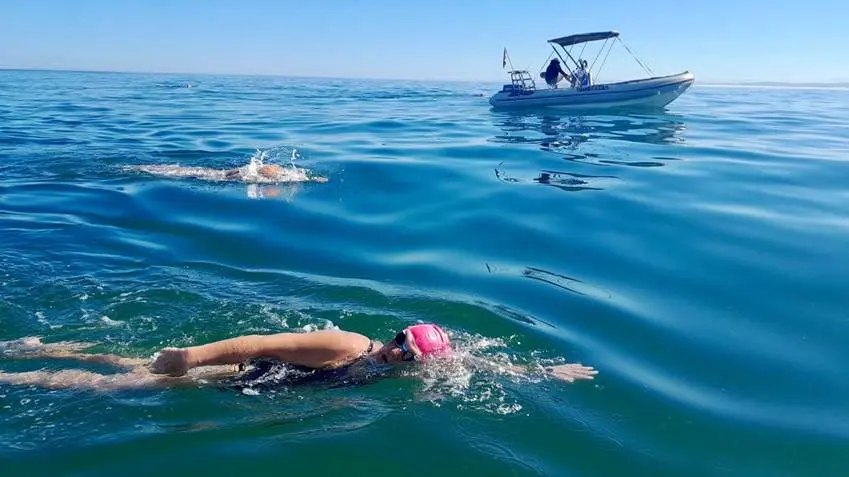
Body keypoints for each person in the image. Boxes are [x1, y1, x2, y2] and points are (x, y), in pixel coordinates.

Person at [0, 324, 597, 392]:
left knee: (128, 362)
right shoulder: (346, 345)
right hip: (240, 369)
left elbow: (470, 365)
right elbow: (261, 342)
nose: (399, 352)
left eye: (410, 354)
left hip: (269, 383)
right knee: (127, 380)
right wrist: (192, 357)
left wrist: (537, 371)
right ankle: (20, 369)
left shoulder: (394, 367)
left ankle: (37, 351)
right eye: (400, 340)